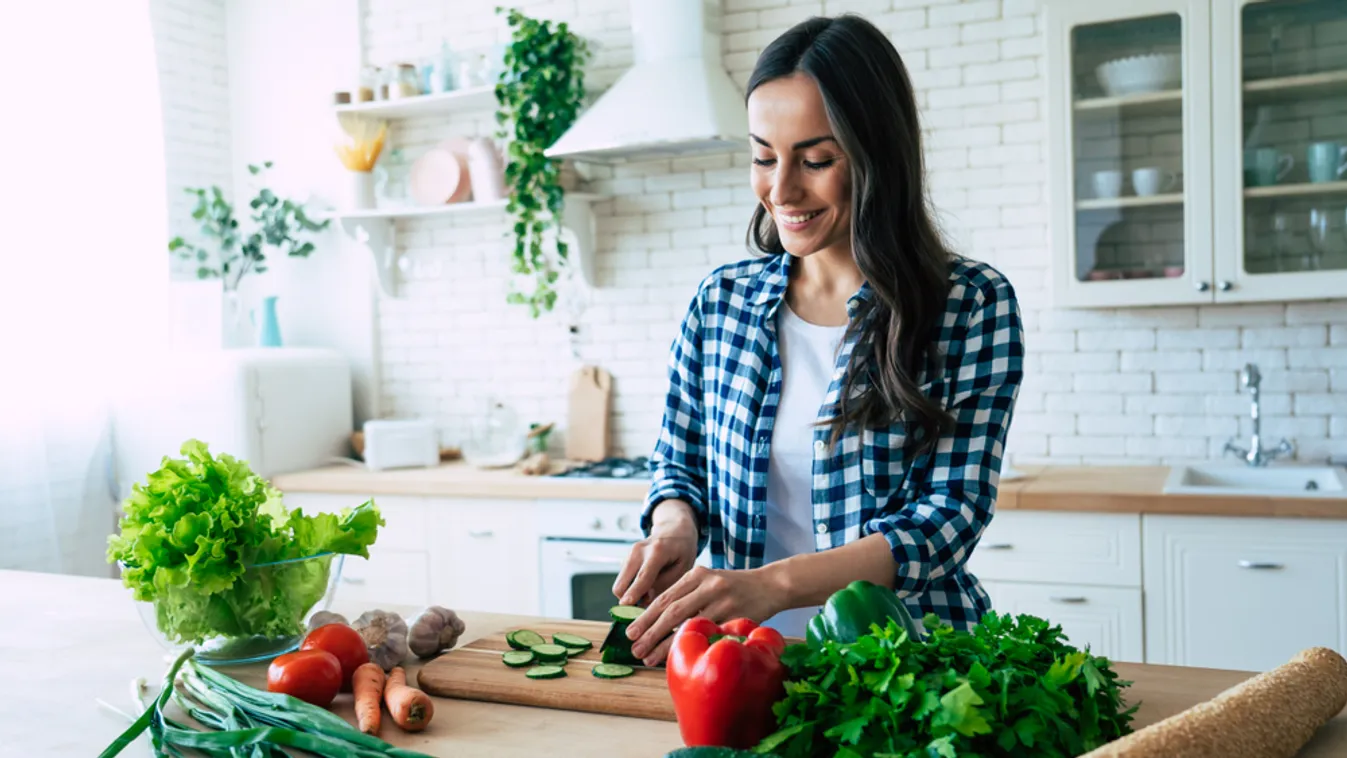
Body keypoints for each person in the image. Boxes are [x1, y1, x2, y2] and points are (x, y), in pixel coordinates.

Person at [612, 13, 1025, 667]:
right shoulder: (720, 302)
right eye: (762, 156)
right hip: (743, 663)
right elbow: (678, 464)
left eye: (815, 160)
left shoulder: (967, 305)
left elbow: (948, 518)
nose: (780, 190)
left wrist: (770, 586)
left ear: (875, 154)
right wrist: (674, 525)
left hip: (910, 664)